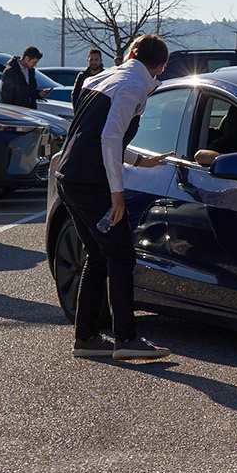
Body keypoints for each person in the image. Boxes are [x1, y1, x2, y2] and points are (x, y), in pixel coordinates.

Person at [57, 34, 172, 362]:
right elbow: (109, 138)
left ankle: (86, 337)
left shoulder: (105, 77)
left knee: (98, 254)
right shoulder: (134, 85)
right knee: (121, 256)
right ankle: (126, 339)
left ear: (132, 52)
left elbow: (95, 133)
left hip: (69, 175)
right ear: (159, 66)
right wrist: (117, 195)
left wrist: (139, 159)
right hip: (92, 182)